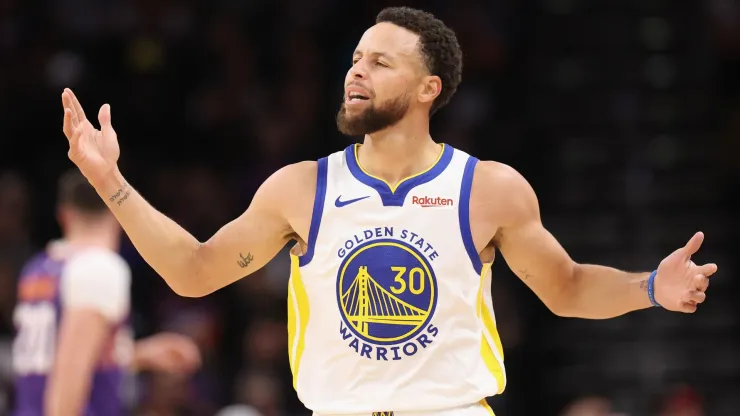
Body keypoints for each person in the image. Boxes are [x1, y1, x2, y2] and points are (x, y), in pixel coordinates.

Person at [59, 6, 718, 416]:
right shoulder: (302, 188)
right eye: (354, 59)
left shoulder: (488, 188)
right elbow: (194, 272)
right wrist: (111, 182)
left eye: (379, 62)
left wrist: (650, 287)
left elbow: (567, 287)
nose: (356, 71)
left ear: (429, 88)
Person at [12, 170, 201, 416]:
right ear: (119, 213)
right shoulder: (99, 266)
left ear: (64, 215)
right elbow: (69, 374)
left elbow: (57, 355)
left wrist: (140, 354)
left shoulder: (38, 268)